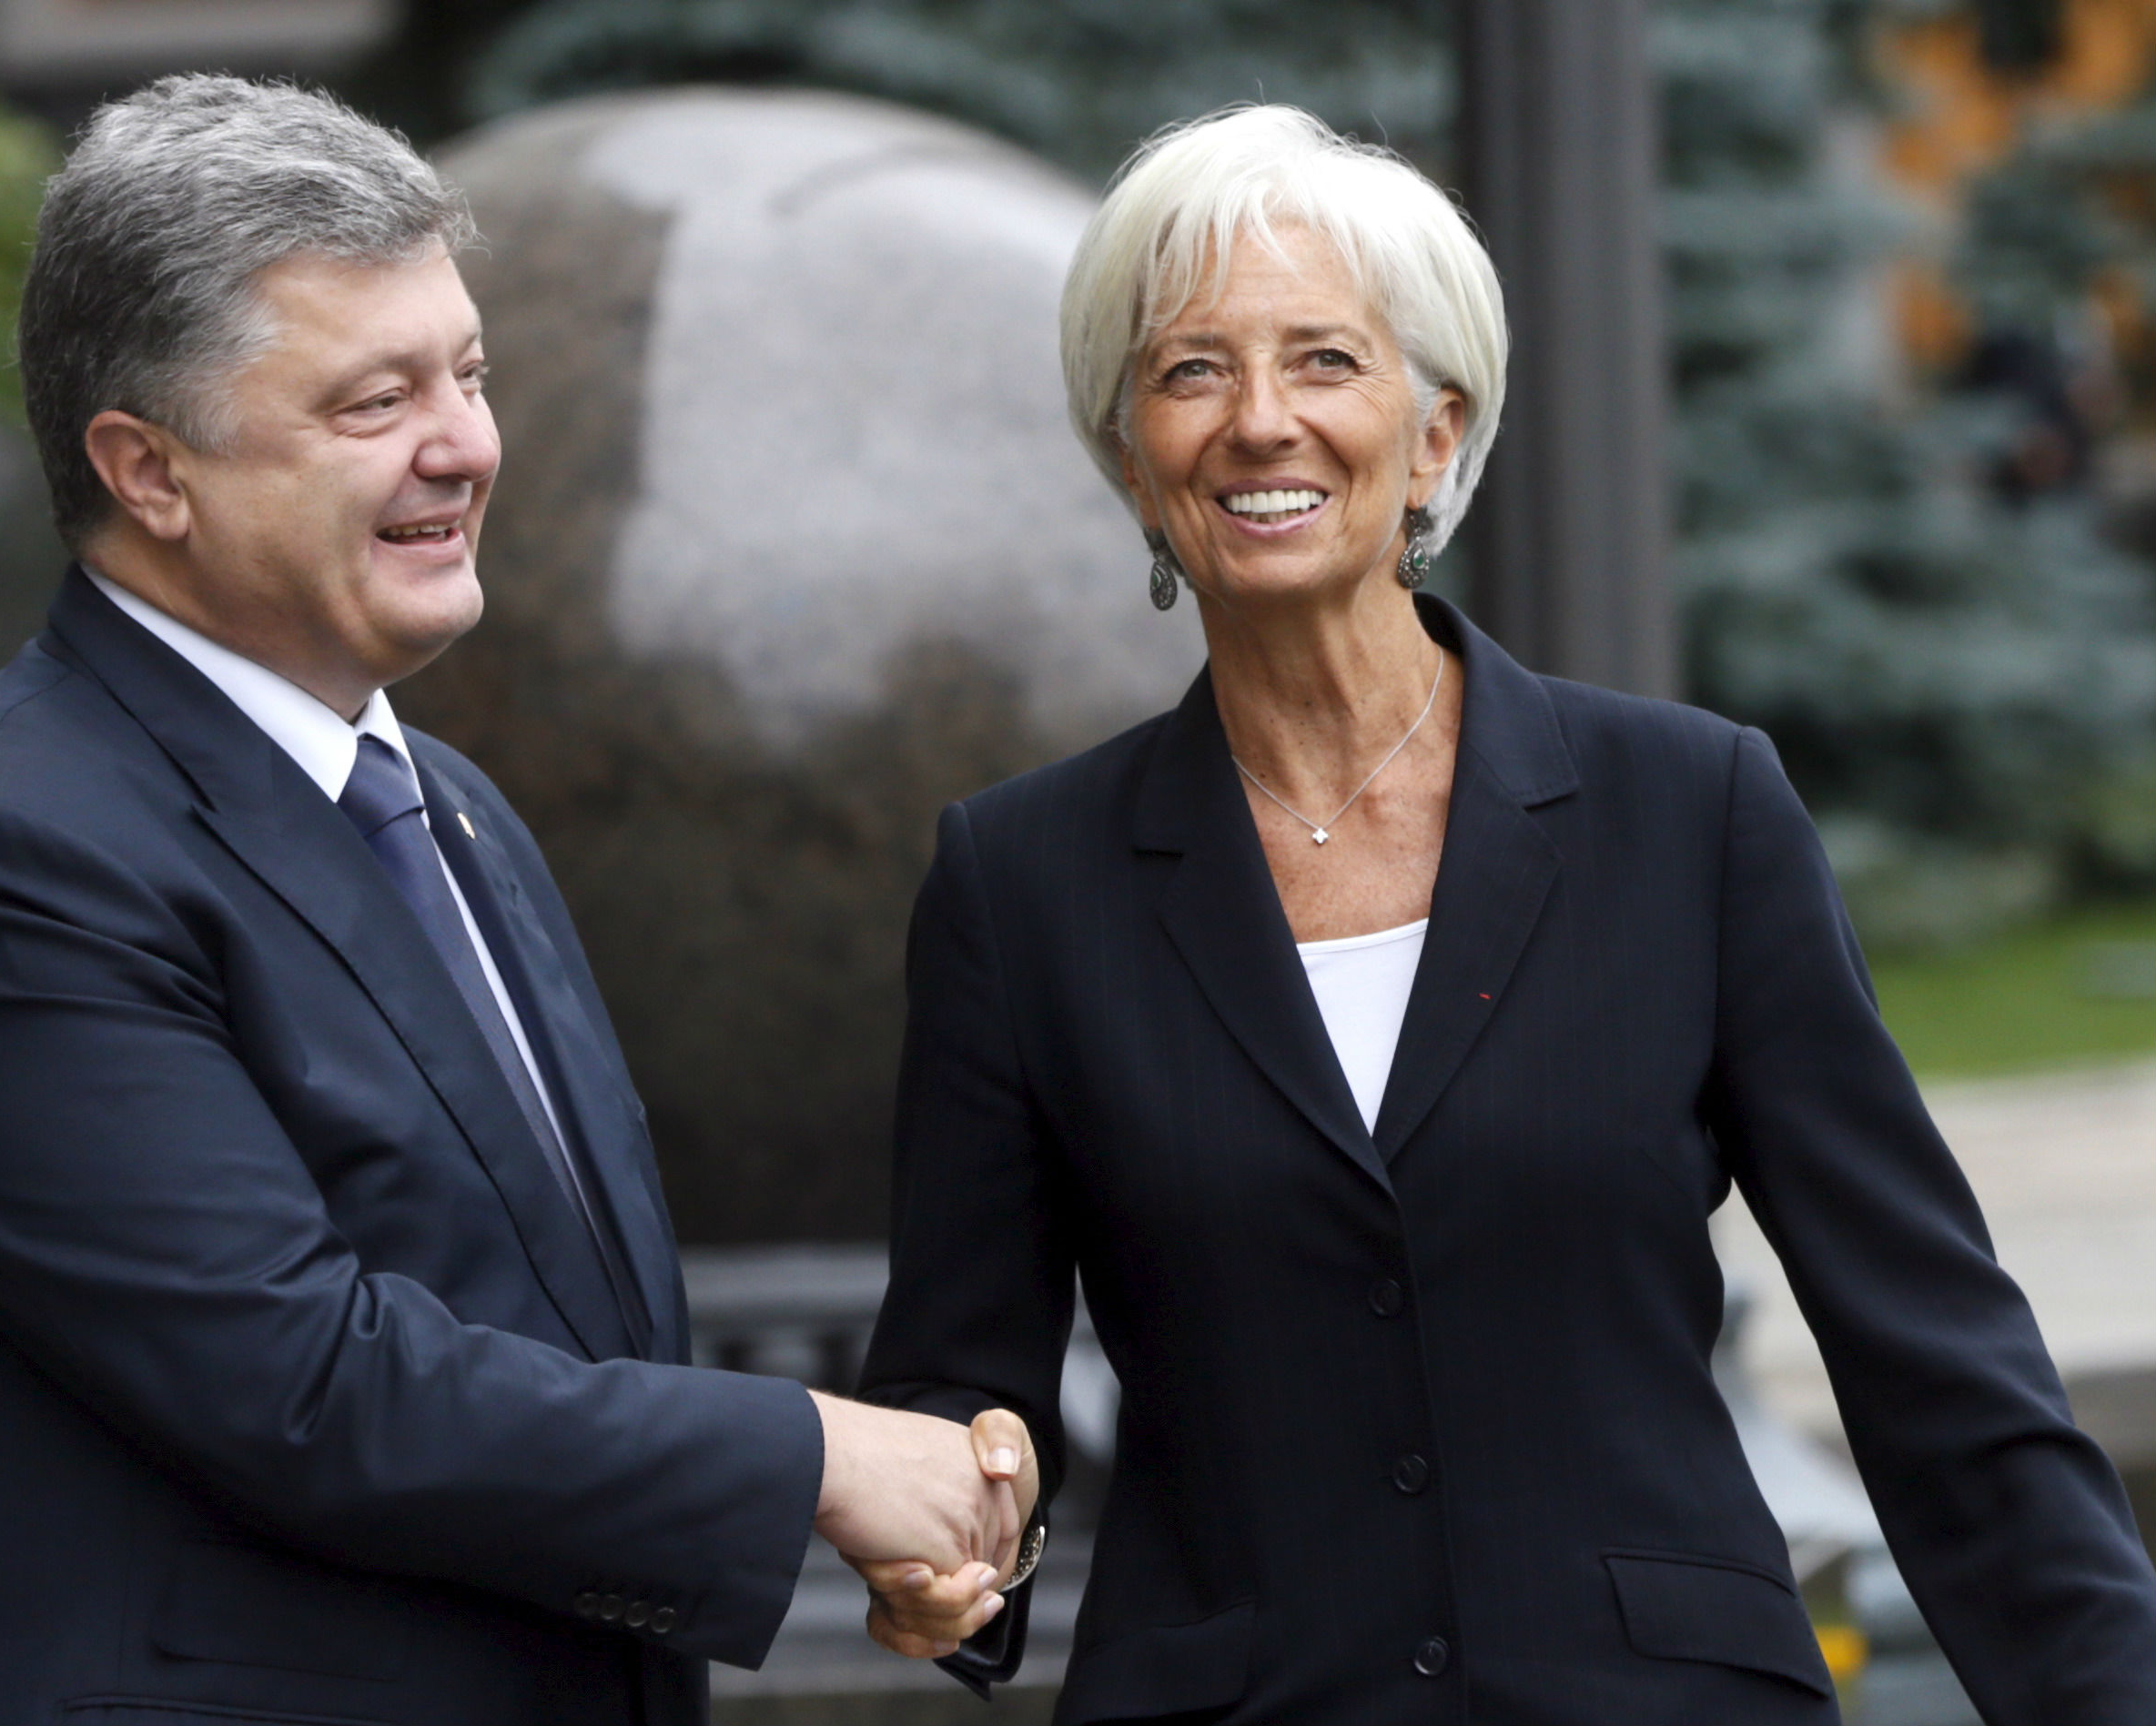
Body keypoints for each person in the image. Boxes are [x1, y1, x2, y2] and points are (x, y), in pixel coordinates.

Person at [852, 105, 2156, 1723]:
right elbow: (956, 1381)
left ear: (1435, 434)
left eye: (1324, 360)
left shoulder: (1690, 809)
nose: (1259, 421)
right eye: (1190, 371)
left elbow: (1930, 1346)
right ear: (1131, 458)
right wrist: (952, 1538)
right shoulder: (1019, 880)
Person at [0, 76, 1029, 1726]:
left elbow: (562, 1339)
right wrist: (811, 1457)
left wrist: (841, 1520)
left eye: (470, 374)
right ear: (147, 470)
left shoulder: (451, 808)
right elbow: (303, 1380)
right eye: (375, 401)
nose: (468, 446)